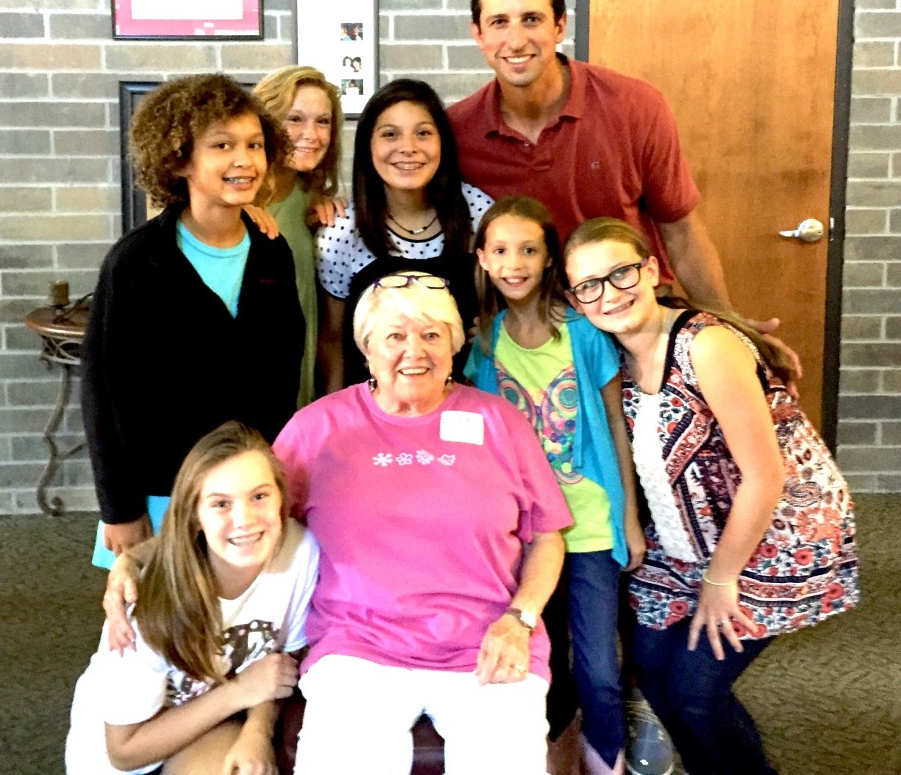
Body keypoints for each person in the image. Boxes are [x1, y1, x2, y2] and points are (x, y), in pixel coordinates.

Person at [561, 217, 860, 775]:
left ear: (650, 270)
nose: (610, 294)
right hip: (680, 535)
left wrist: (721, 580)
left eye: (621, 273)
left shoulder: (707, 344)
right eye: (589, 286)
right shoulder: (608, 355)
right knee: (652, 674)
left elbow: (765, 477)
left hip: (772, 534)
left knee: (695, 690)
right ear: (577, 301)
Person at [276, 272, 571, 774]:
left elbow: (547, 534)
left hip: (488, 641)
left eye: (432, 335)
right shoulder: (316, 429)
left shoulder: (500, 423)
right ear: (366, 348)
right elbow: (250, 516)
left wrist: (519, 620)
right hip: (358, 647)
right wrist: (141, 562)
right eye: (395, 336)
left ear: (454, 346)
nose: (415, 350)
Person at [448, 0, 795, 369]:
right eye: (499, 22)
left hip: (634, 330)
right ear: (478, 33)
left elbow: (680, 230)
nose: (516, 40)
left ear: (559, 26)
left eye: (532, 19)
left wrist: (729, 324)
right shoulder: (458, 131)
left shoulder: (634, 106)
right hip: (529, 346)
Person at [81, 73, 304, 563]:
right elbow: (104, 392)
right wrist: (118, 508)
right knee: (161, 626)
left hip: (246, 491)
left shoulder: (272, 253)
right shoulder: (136, 262)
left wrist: (275, 480)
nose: (243, 160)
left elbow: (282, 376)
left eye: (254, 145)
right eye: (222, 145)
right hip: (162, 489)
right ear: (180, 158)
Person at [466, 197, 646, 775]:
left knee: (598, 665)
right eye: (500, 250)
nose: (514, 262)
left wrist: (631, 518)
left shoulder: (585, 334)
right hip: (521, 531)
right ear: (483, 259)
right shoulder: (483, 343)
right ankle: (548, 756)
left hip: (589, 522)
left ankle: (607, 760)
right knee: (539, 656)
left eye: (529, 249)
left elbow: (617, 423)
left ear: (549, 260)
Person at [66, 422, 320, 775]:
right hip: (127, 754)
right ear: (195, 516)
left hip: (210, 730)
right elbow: (123, 752)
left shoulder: (299, 552)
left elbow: (277, 662)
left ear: (281, 499)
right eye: (220, 504)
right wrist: (238, 693)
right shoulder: (146, 600)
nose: (245, 519)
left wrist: (256, 730)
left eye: (259, 496)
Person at [316, 78, 493, 392]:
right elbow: (332, 341)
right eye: (389, 134)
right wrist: (334, 419)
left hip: (462, 406)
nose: (408, 147)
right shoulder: (342, 230)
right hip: (374, 411)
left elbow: (501, 311)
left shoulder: (478, 213)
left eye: (423, 133)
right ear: (368, 146)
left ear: (443, 143)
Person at [252, 65, 344, 407]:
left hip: (300, 391)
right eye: (295, 119)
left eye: (323, 121)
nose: (312, 134)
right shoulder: (235, 207)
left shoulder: (311, 202)